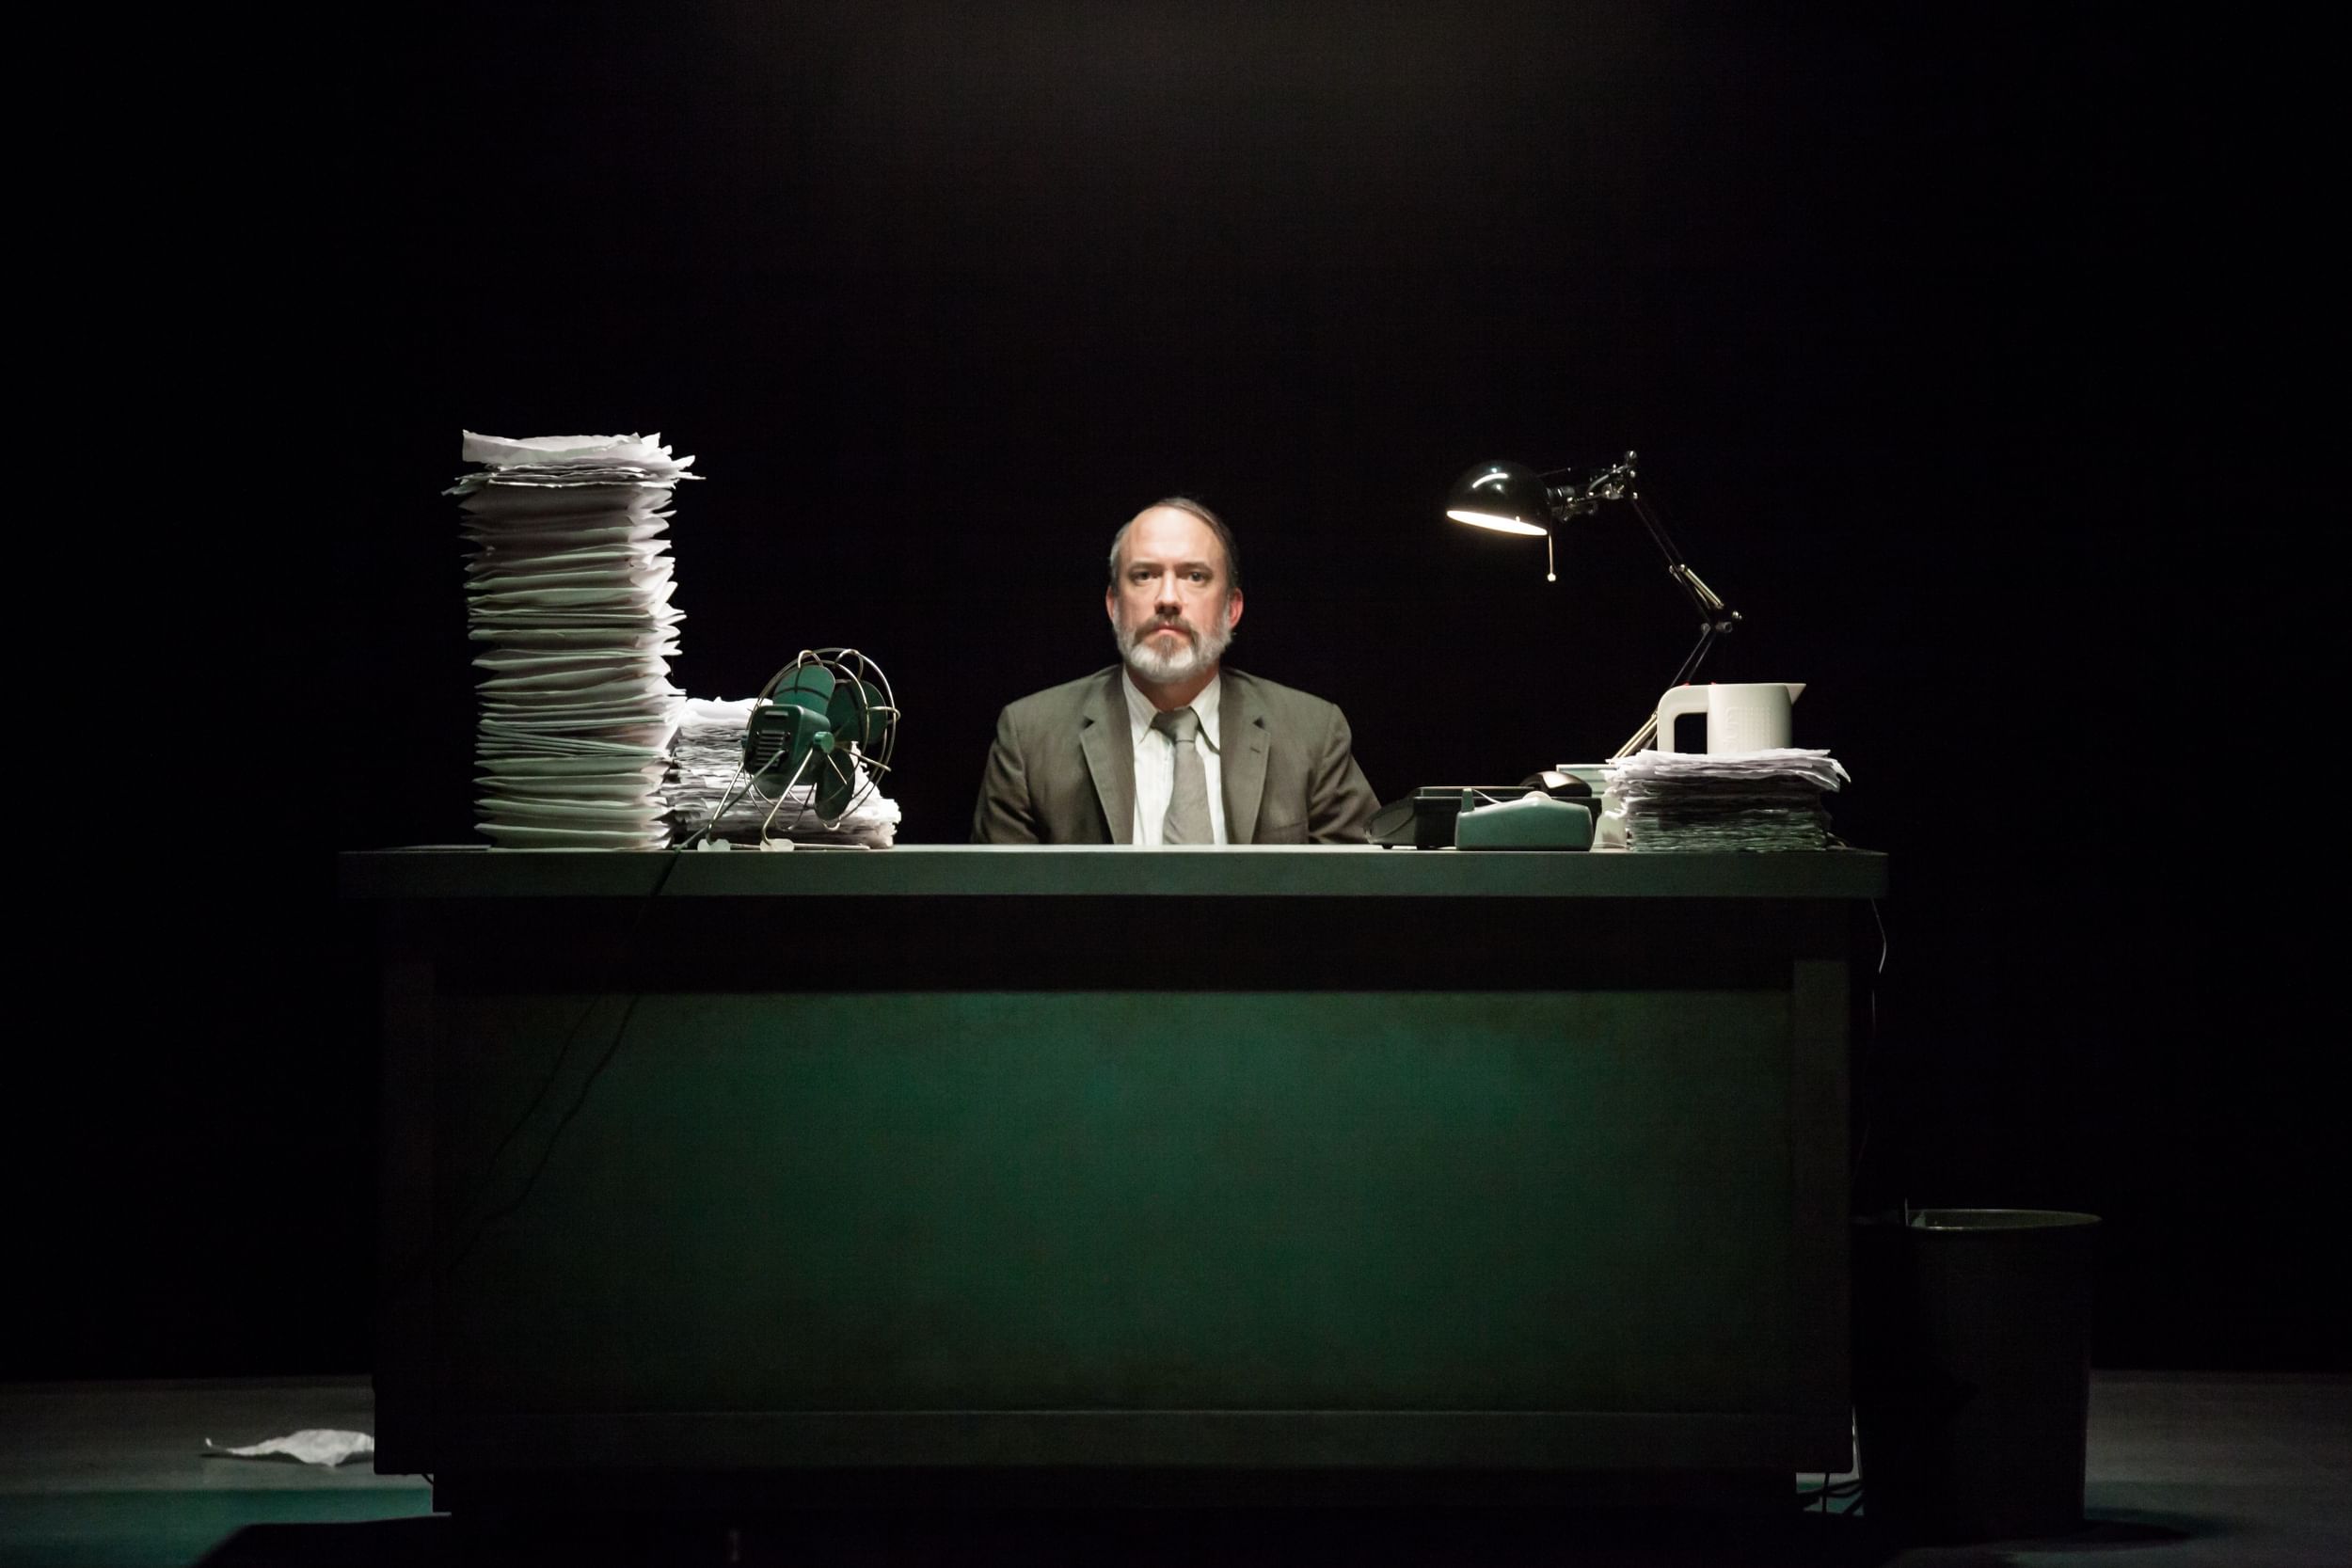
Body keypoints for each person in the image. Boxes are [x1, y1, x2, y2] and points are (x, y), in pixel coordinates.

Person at [971, 498, 1379, 845]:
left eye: (1195, 576)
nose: (1168, 598)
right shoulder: (1029, 737)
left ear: (1232, 608)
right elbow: (1000, 916)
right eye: (1144, 576)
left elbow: (1366, 898)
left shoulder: (1313, 733)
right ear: (1114, 605)